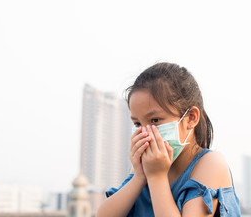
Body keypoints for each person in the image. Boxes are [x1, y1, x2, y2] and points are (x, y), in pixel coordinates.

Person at [96, 62, 241, 217]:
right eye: (138, 123)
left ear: (191, 118)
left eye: (155, 120)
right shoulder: (146, 168)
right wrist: (139, 177)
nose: (146, 132)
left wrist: (157, 177)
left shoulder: (211, 163)